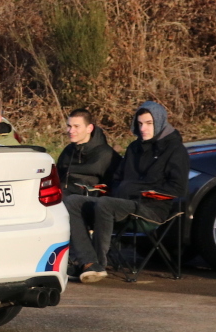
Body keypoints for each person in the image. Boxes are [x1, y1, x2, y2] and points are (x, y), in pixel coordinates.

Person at [64, 101, 189, 282]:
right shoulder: (133, 148)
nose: (143, 128)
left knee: (104, 204)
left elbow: (178, 189)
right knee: (73, 201)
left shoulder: (176, 150)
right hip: (121, 204)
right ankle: (89, 262)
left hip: (152, 209)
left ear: (160, 122)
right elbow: (117, 179)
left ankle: (98, 263)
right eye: (139, 124)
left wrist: (138, 191)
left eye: (148, 123)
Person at [56, 108, 120, 197]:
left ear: (89, 128)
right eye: (69, 126)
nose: (71, 131)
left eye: (76, 126)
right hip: (63, 195)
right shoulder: (68, 151)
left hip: (87, 201)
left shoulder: (106, 155)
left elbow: (112, 188)